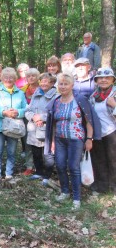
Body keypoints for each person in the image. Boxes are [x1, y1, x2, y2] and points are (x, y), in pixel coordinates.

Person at [45, 72, 101, 210]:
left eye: (65, 84)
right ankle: (64, 191)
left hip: (76, 139)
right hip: (59, 139)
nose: (63, 86)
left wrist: (89, 139)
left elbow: (89, 121)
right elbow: (53, 123)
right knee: (60, 165)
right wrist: (52, 140)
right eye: (60, 84)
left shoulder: (80, 100)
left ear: (72, 85)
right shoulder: (56, 102)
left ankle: (76, 198)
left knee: (74, 167)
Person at [0, 67, 27, 183]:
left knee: (11, 151)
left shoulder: (20, 93)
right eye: (6, 77)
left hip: (14, 127)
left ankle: (9, 173)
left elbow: (26, 109)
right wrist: (3, 112)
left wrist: (17, 112)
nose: (8, 79)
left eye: (11, 77)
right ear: (2, 78)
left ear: (15, 78)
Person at [25, 72, 58, 186]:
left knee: (48, 152)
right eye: (42, 81)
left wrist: (42, 118)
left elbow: (56, 111)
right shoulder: (36, 93)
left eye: (46, 81)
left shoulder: (56, 94)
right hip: (34, 127)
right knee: (35, 151)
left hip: (48, 127)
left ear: (52, 83)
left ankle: (47, 175)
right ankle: (39, 172)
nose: (43, 83)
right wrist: (33, 117)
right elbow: (28, 110)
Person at [89, 67, 116, 195]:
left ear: (112, 80)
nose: (104, 80)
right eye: (101, 78)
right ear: (96, 80)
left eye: (107, 77)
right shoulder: (93, 96)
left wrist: (115, 105)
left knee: (113, 159)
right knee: (99, 159)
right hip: (98, 132)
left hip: (113, 131)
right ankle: (102, 185)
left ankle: (114, 186)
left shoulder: (114, 94)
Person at [20, 68, 40, 175]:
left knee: (40, 142)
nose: (31, 78)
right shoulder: (22, 90)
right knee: (27, 142)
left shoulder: (43, 88)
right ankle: (29, 166)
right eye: (29, 76)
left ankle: (41, 165)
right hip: (26, 120)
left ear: (38, 77)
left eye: (33, 75)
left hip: (39, 119)